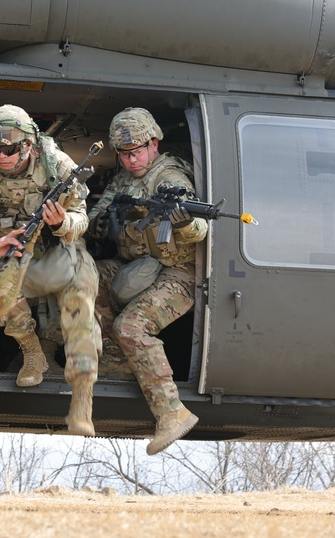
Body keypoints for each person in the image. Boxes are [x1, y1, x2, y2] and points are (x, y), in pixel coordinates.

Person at [0, 104, 100, 436]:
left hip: (62, 249)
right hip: (12, 250)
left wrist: (62, 222)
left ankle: (83, 398)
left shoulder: (57, 165)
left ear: (28, 145)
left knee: (80, 312)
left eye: (10, 149)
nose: (1, 156)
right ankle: (32, 351)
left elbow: (83, 219)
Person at [86, 107, 208, 455]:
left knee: (131, 326)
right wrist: (108, 221)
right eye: (124, 153)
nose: (131, 159)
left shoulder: (168, 177)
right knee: (84, 274)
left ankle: (172, 413)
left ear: (154, 143)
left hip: (179, 272)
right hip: (138, 264)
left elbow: (199, 228)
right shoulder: (126, 178)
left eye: (137, 151)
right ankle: (114, 358)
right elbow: (97, 215)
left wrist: (183, 221)